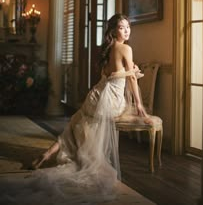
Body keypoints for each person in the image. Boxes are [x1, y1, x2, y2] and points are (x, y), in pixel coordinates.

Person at [0, 13, 149, 205]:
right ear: (113, 30)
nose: (127, 30)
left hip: (95, 96)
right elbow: (130, 80)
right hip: (110, 100)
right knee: (83, 125)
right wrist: (139, 104)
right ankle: (72, 157)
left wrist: (131, 71)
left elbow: (113, 75)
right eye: (122, 27)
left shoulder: (109, 48)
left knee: (76, 122)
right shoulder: (126, 49)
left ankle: (46, 153)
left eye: (128, 26)